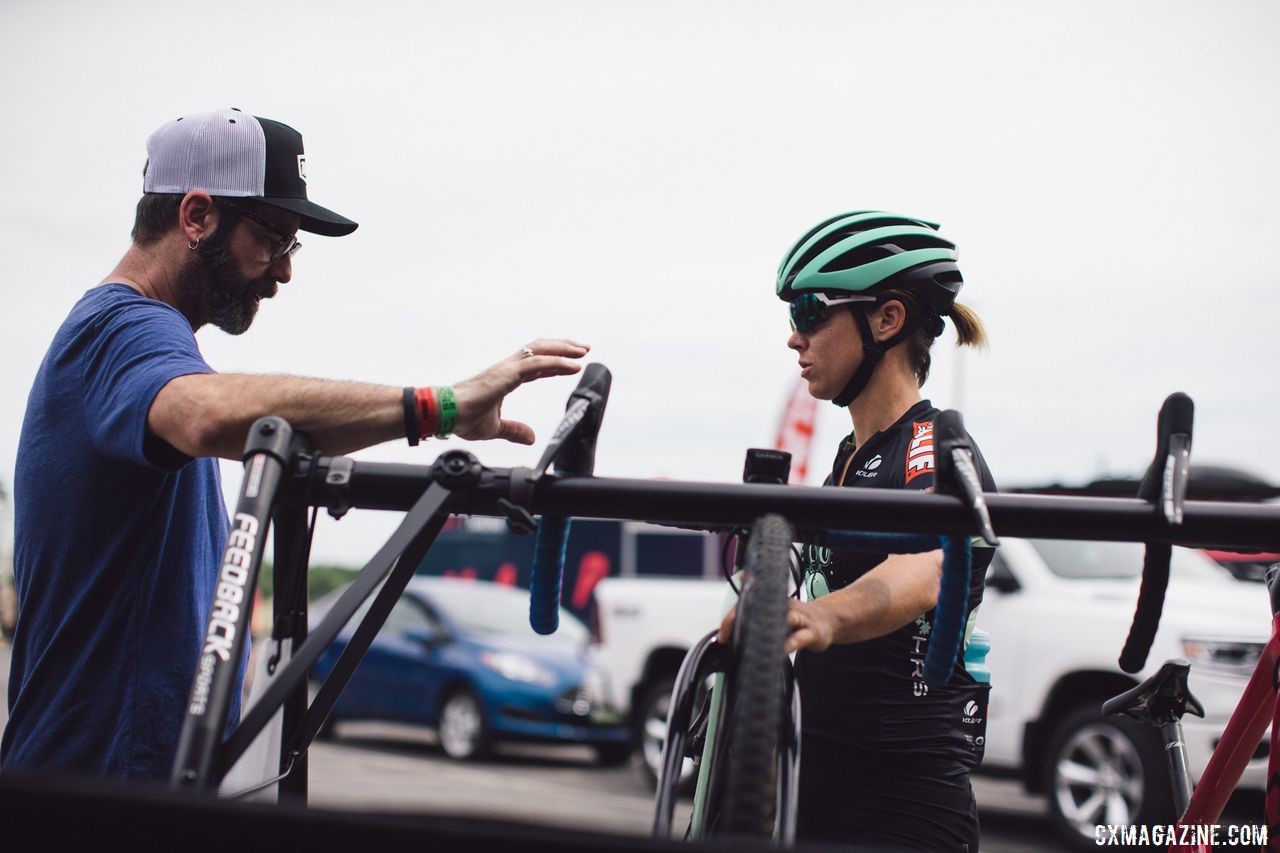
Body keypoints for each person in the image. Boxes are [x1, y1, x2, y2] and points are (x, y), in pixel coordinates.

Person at [1, 108, 589, 782]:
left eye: (292, 248)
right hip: (97, 791)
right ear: (196, 217)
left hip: (122, 781)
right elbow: (209, 415)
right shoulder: (123, 329)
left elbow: (251, 420)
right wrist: (439, 405)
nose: (283, 272)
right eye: (272, 239)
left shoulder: (139, 339)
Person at [720, 211, 997, 851]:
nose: (796, 339)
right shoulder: (853, 453)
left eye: (810, 313)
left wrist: (821, 619)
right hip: (823, 769)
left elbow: (924, 566)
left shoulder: (932, 442)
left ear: (888, 319)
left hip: (898, 794)